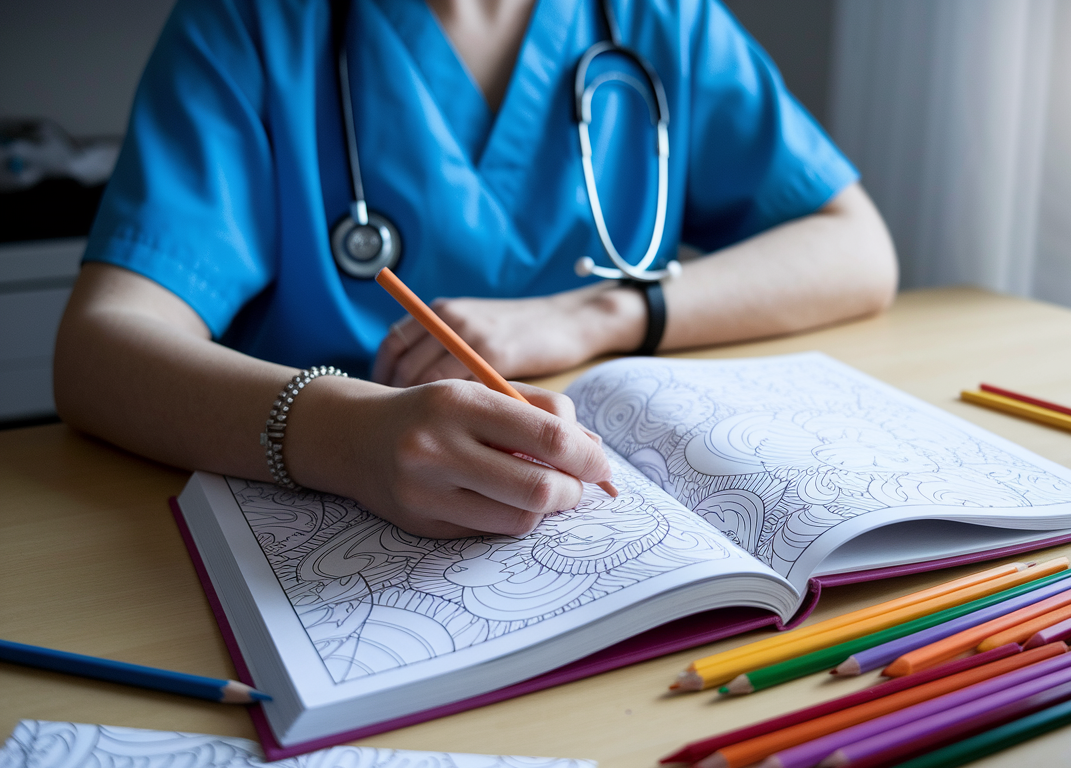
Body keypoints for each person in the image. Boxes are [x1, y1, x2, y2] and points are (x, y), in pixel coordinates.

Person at [53, 0, 897, 540]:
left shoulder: (659, 20)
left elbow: (856, 249)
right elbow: (99, 350)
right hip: (323, 524)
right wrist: (347, 438)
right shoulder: (245, 25)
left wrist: (594, 313)